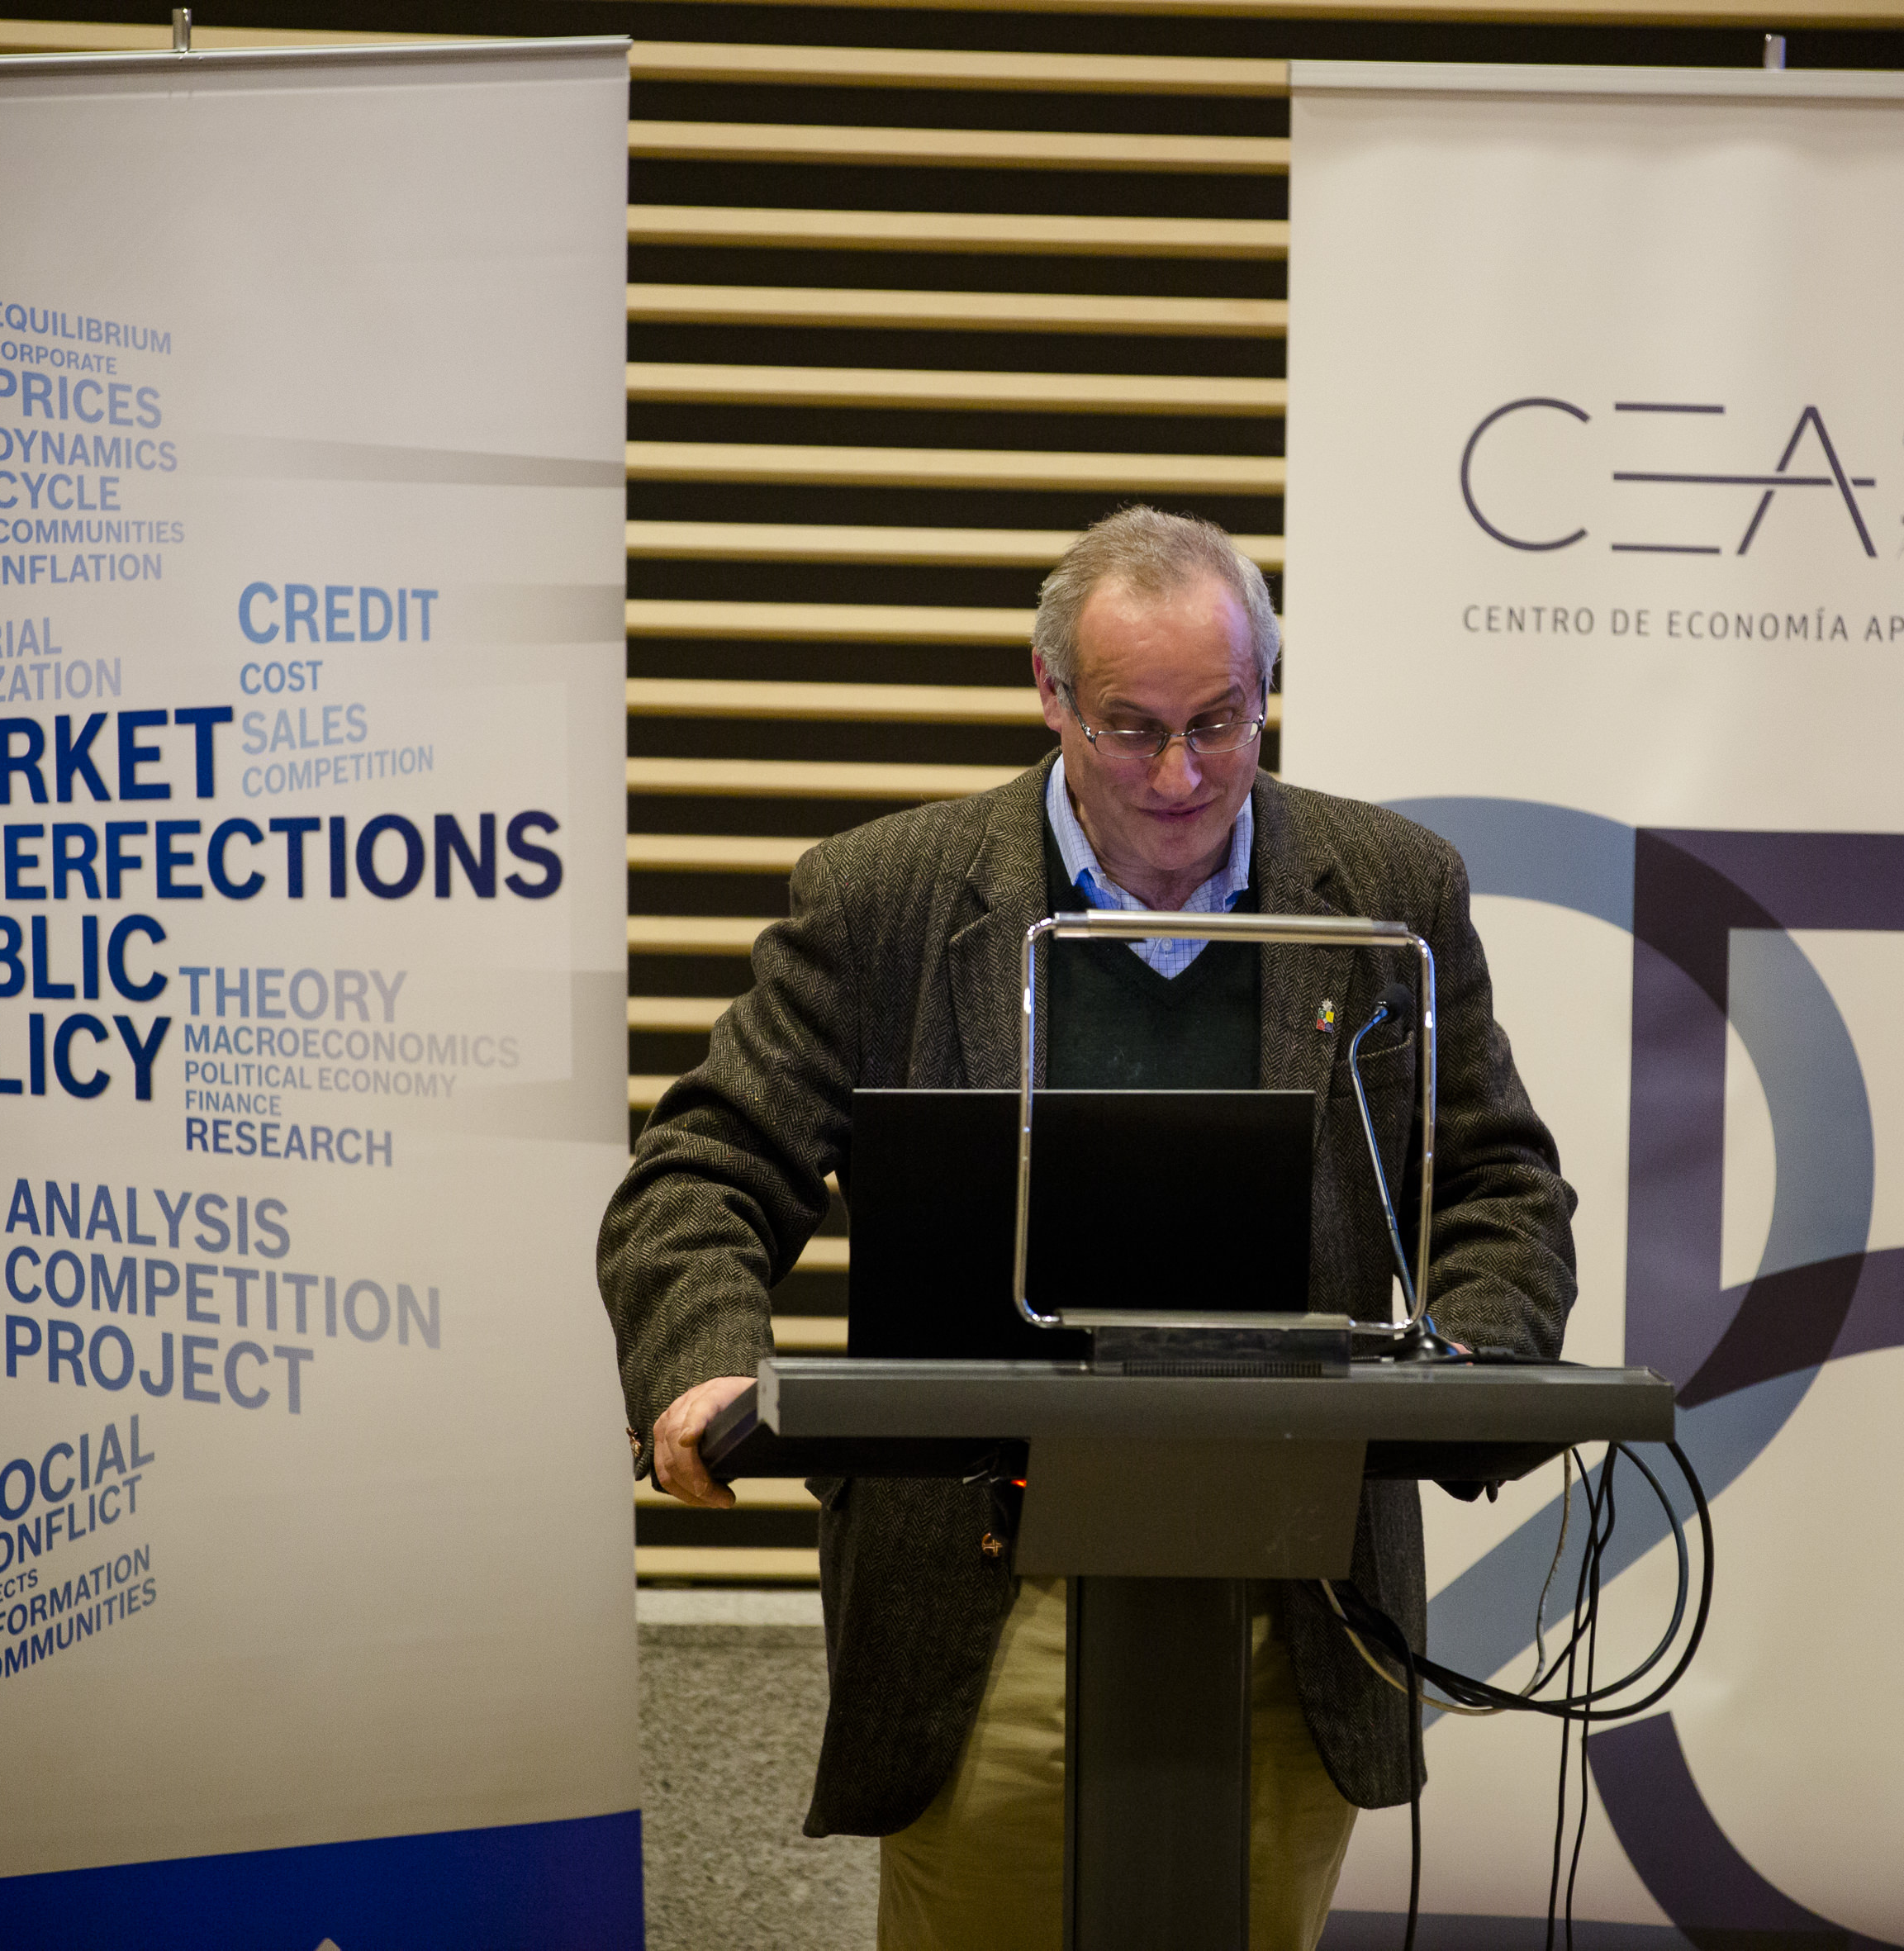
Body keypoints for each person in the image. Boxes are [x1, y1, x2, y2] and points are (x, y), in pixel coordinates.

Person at [597, 506, 1578, 1949]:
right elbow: (702, 1169)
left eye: (1221, 722)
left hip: (1297, 1593)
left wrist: (1475, 1360)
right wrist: (704, 1365)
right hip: (988, 1602)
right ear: (1049, 693)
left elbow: (1497, 1182)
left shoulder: (1388, 890)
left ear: (1267, 689)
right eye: (1132, 728)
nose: (1182, 775)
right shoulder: (886, 898)